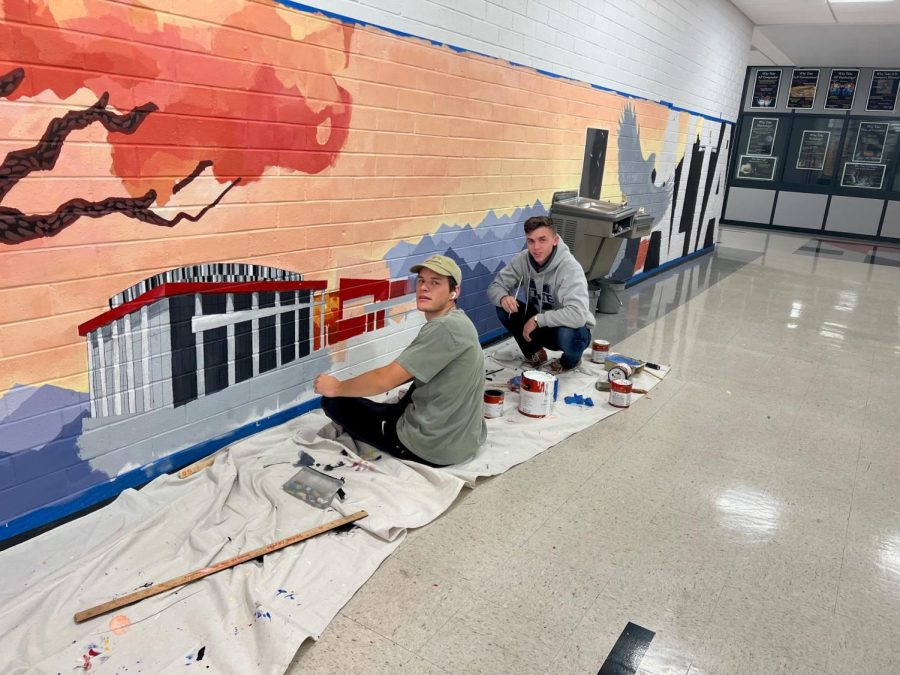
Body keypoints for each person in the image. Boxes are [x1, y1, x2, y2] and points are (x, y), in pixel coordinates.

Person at [313, 255, 486, 467]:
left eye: (435, 282)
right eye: (421, 280)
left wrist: (336, 387)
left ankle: (397, 432)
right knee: (400, 395)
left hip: (431, 448)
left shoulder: (443, 328)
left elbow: (384, 380)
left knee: (333, 402)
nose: (424, 288)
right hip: (465, 440)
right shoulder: (458, 320)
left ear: (454, 292)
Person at [487, 215, 594, 373]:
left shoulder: (570, 268)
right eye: (531, 241)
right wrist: (503, 297)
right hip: (537, 322)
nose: (536, 247)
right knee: (504, 309)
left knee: (571, 336)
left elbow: (578, 314)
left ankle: (570, 361)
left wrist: (538, 319)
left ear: (555, 240)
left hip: (566, 328)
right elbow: (495, 287)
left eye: (542, 239)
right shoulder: (523, 259)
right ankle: (535, 353)